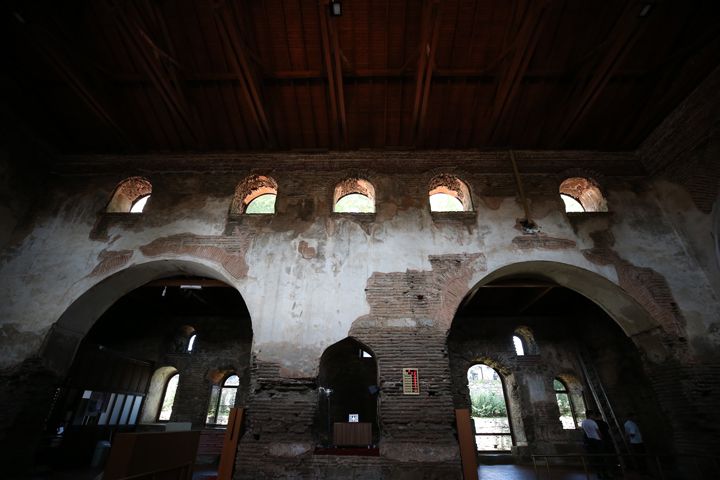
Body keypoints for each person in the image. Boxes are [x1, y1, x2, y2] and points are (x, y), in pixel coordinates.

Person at [582, 410, 613, 479]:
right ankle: (605, 474)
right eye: (593, 415)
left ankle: (598, 474)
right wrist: (602, 439)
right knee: (602, 458)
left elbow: (585, 432)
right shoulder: (593, 422)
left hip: (590, 441)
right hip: (597, 441)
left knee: (595, 458)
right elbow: (598, 432)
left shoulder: (583, 422)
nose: (594, 416)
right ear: (590, 415)